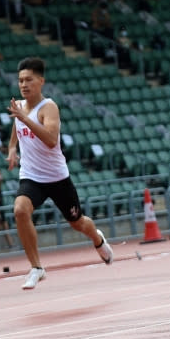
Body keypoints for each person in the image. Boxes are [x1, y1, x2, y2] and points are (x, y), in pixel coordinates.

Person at [6, 57, 113, 290]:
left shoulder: (49, 107)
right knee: (20, 210)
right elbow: (17, 127)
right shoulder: (20, 108)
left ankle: (97, 238)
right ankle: (36, 267)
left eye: (29, 80)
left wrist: (24, 118)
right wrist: (12, 148)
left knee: (78, 223)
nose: (23, 85)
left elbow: (51, 140)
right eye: (20, 81)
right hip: (32, 176)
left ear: (41, 81)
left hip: (57, 178)